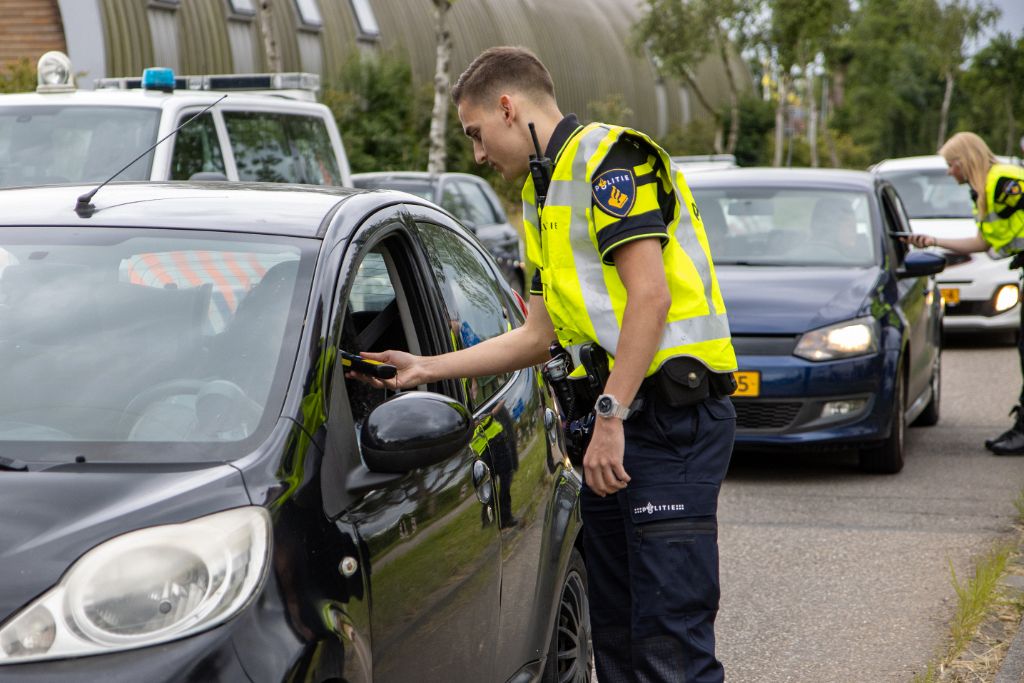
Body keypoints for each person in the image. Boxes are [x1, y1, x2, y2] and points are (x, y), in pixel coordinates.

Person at [350, 46, 738, 682]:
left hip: (669, 422)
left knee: (669, 643)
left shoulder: (609, 161)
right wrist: (426, 368)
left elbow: (651, 298)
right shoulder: (541, 190)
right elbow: (538, 335)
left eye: (476, 133)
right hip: (614, 427)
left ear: (508, 107)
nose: (478, 154)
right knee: (618, 637)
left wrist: (610, 415)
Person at [904, 131, 1024, 455]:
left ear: (964, 160)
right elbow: (983, 243)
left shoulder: (1004, 182)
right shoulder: (983, 191)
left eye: (950, 164)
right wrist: (934, 241)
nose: (948, 171)